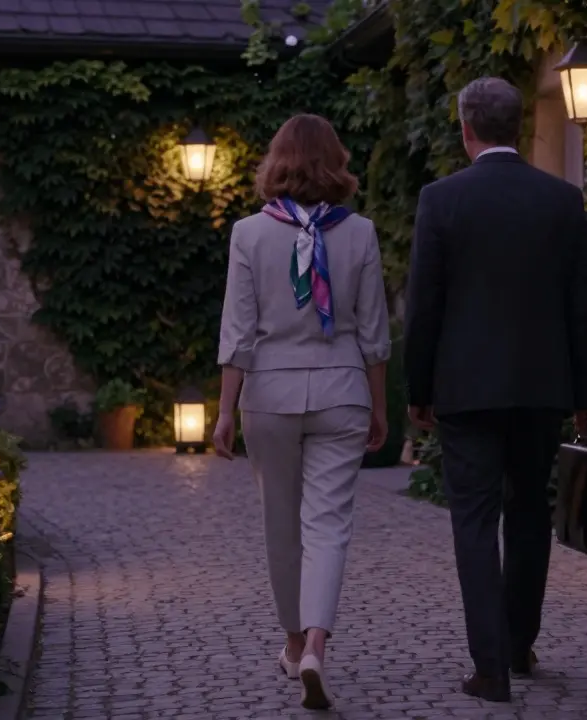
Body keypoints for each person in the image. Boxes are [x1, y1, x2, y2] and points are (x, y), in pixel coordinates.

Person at [403, 76, 587, 703]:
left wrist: (418, 389)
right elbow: (581, 308)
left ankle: (489, 668)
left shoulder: (441, 200)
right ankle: (518, 645)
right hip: (543, 388)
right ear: (517, 127)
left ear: (465, 129)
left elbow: (425, 307)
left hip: (465, 390)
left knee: (473, 519)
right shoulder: (563, 201)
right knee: (527, 515)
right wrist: (586, 392)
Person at [212, 114, 391, 711]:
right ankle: (316, 643)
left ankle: (293, 644)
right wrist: (379, 406)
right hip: (343, 391)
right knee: (328, 525)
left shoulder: (248, 234)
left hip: (268, 396)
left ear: (276, 162)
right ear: (336, 161)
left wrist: (223, 412)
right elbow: (373, 331)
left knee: (280, 525)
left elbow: (237, 331)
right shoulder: (360, 232)